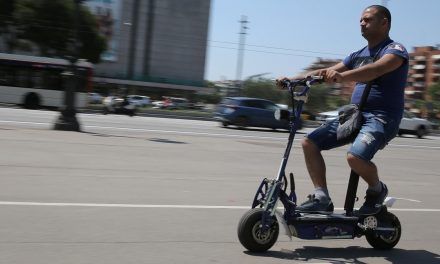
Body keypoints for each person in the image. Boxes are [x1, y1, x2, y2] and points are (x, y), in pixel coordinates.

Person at [277, 5, 409, 215]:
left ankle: (377, 190)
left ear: (384, 23)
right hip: (354, 114)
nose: (362, 23)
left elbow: (376, 70)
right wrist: (292, 79)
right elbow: (323, 72)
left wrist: (342, 77)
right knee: (309, 143)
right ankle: (322, 198)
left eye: (367, 19)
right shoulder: (358, 54)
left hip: (381, 118)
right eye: (360, 20)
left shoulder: (395, 50)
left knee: (355, 157)